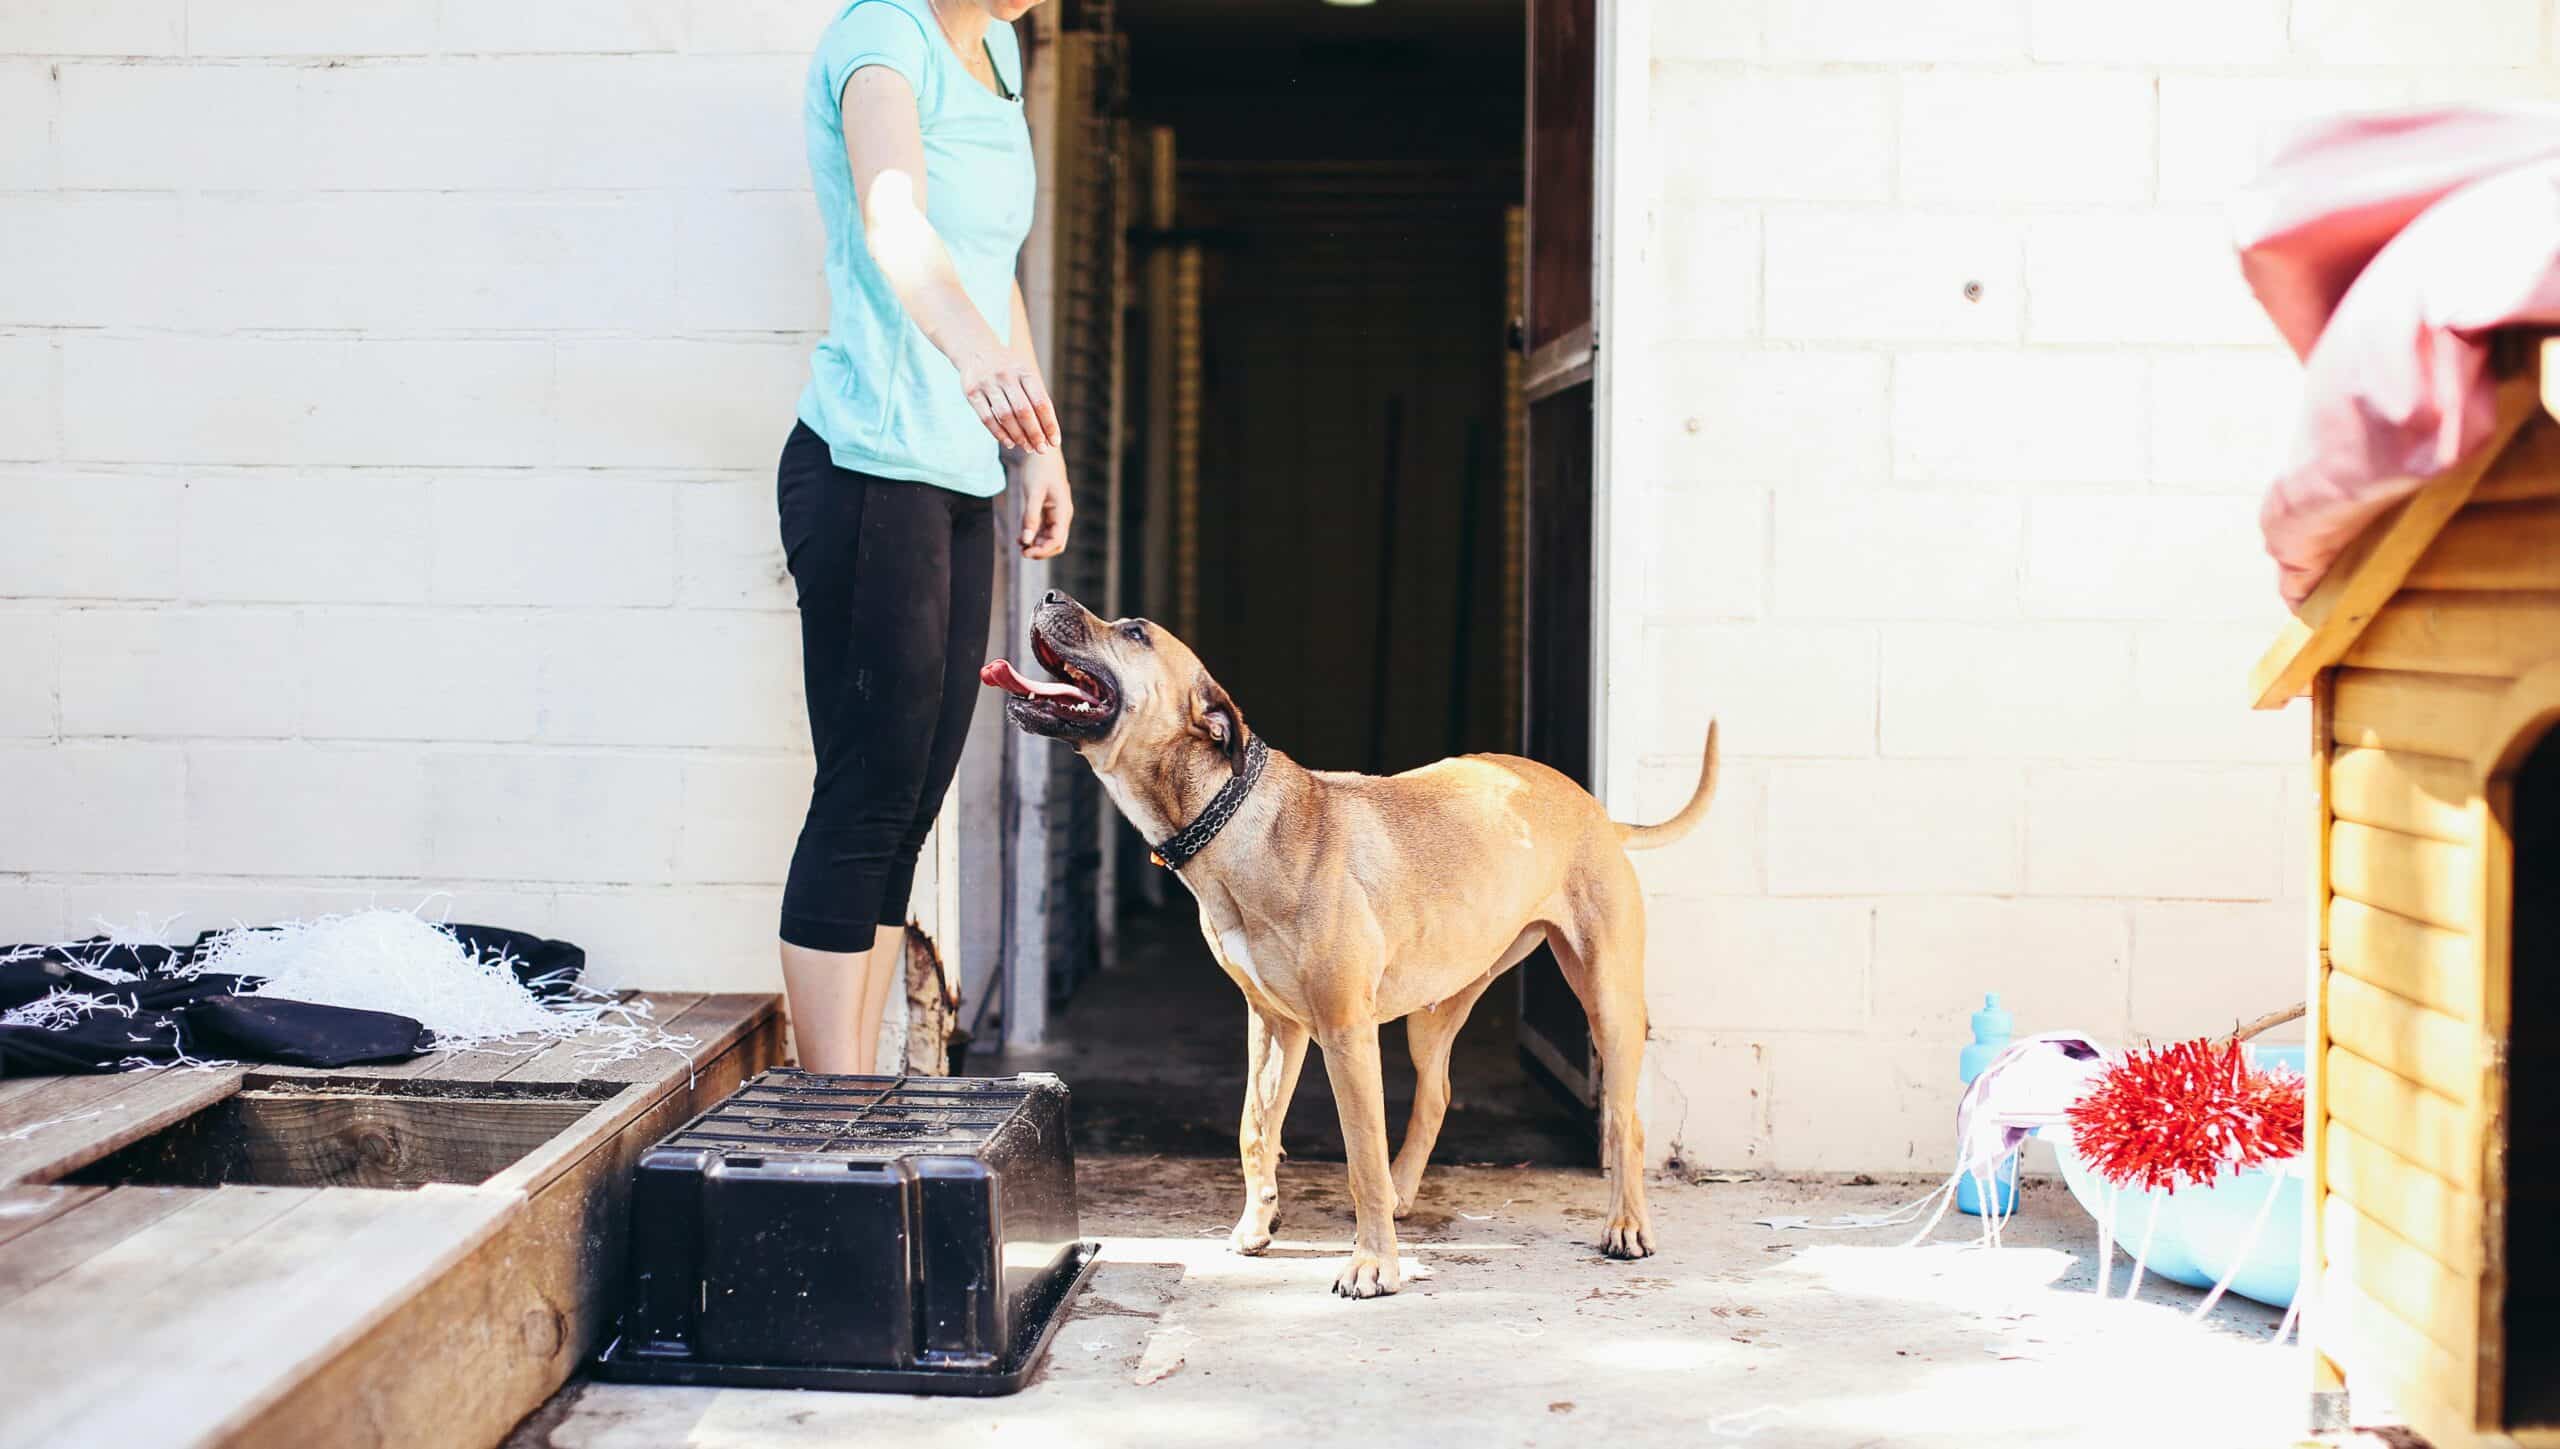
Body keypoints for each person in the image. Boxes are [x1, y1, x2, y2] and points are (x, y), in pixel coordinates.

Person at [778, 0, 1068, 1074]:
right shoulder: (881, 41)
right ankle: (828, 1109)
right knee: (865, 793)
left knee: (911, 800)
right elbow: (894, 220)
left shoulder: (995, 49)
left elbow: (987, 266)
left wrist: (1035, 440)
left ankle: (865, 1092)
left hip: (957, 471)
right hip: (866, 467)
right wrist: (973, 358)